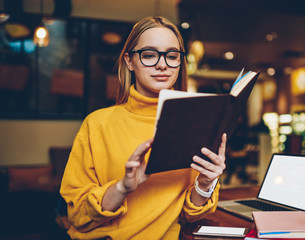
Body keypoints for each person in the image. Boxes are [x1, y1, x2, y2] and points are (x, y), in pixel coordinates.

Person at [60, 16, 226, 240]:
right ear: (129, 61)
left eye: (172, 56)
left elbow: (189, 215)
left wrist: (205, 184)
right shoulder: (97, 123)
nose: (162, 64)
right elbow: (77, 215)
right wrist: (122, 187)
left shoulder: (193, 121)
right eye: (149, 55)